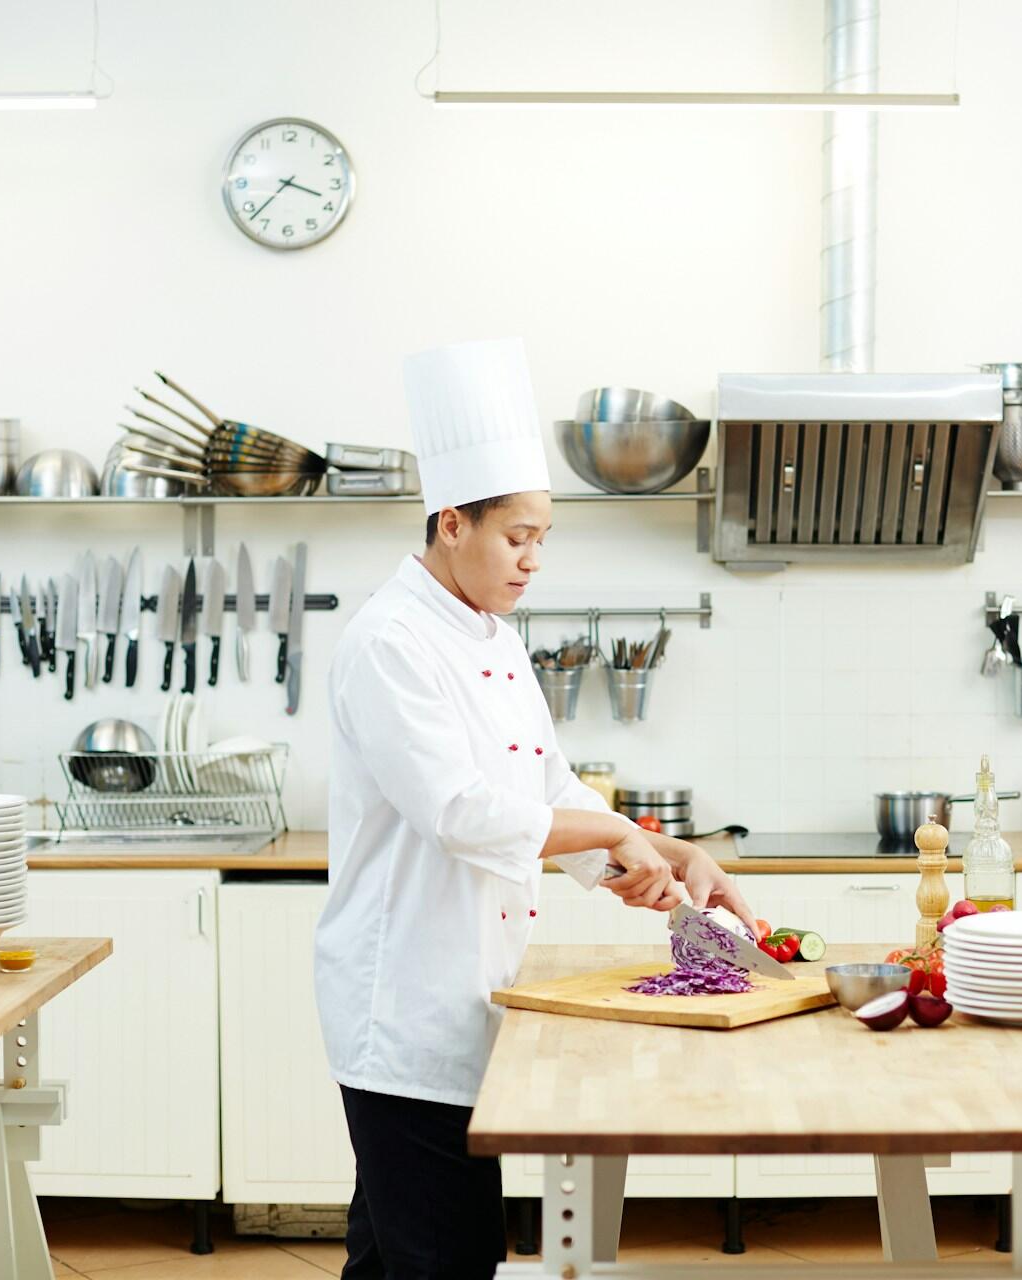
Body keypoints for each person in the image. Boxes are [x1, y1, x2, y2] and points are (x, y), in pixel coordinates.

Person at [316, 337, 759, 1279]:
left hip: (476, 992)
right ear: (450, 525)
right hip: (406, 1007)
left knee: (392, 1255)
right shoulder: (388, 643)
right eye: (517, 537)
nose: (532, 561)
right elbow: (463, 812)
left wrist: (658, 860)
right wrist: (621, 835)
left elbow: (545, 790)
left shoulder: (497, 639)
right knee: (447, 1256)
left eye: (542, 540)